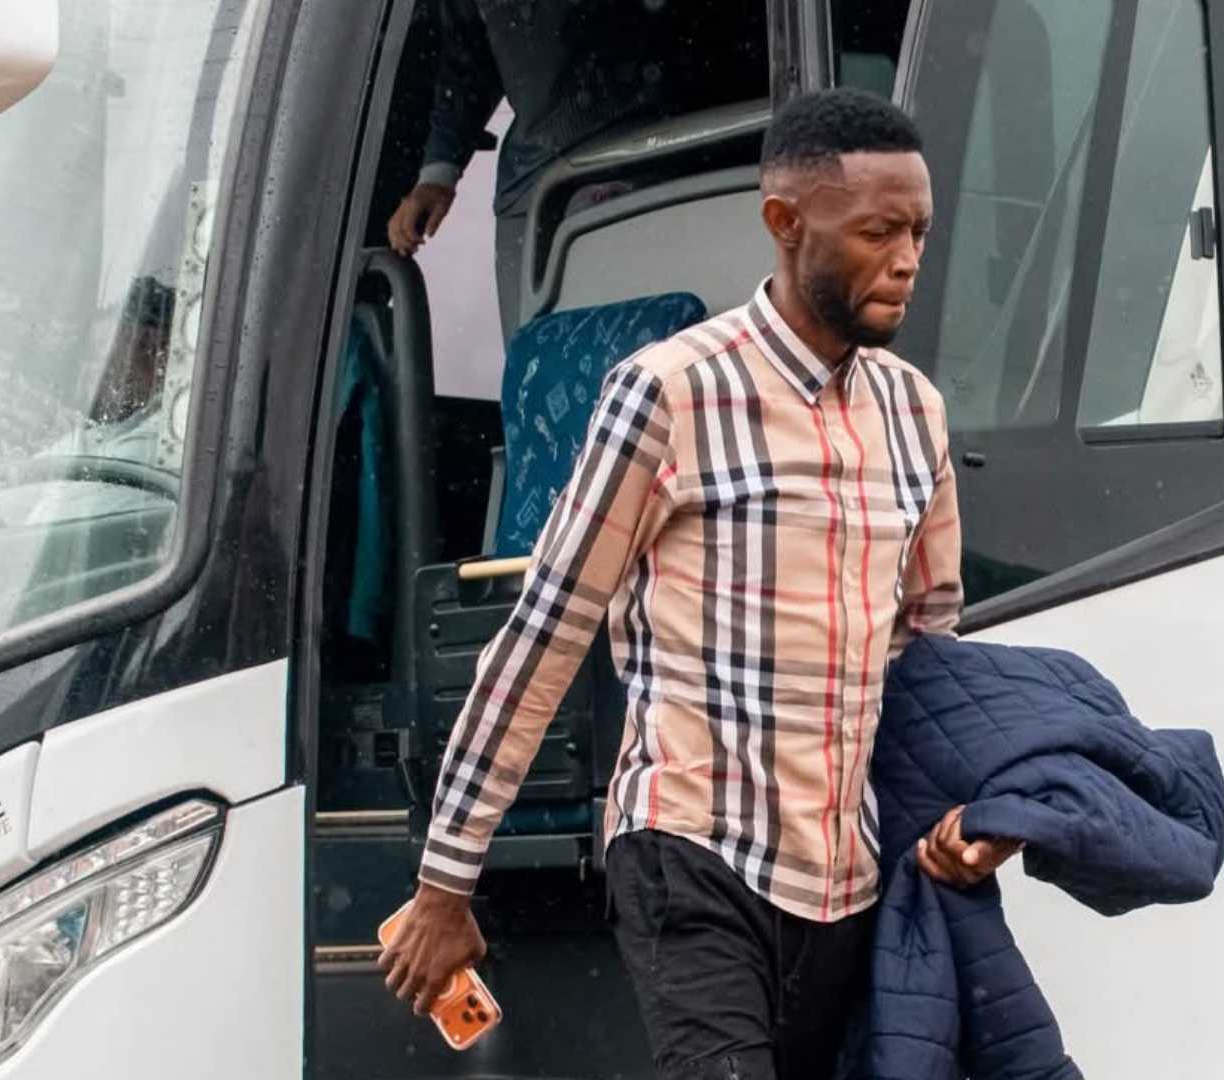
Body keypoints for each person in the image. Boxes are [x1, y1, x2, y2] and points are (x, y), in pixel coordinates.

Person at [379, 88, 1019, 1080]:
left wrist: (965, 814)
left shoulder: (914, 414)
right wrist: (445, 878)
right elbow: (547, 629)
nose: (905, 259)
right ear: (784, 223)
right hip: (692, 847)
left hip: (847, 874)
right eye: (877, 232)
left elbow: (929, 646)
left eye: (919, 234)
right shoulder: (668, 392)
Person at [385, 0, 764, 339]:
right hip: (541, 183)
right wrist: (438, 174)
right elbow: (466, 56)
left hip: (695, 151)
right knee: (543, 367)